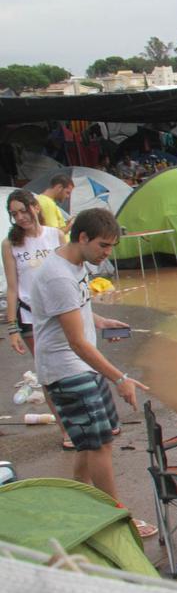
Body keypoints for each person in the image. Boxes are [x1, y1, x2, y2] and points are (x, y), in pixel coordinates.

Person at [28, 207, 154, 537]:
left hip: (83, 366)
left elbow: (72, 308)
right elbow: (77, 343)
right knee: (99, 445)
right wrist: (121, 378)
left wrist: (98, 320)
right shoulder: (57, 275)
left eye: (111, 246)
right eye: (103, 246)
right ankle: (118, 518)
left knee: (94, 440)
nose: (107, 254)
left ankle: (76, 502)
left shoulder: (75, 263)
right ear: (82, 237)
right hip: (67, 369)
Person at [4, 191, 70, 449]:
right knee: (48, 373)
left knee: (76, 365)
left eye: (23, 210)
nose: (20, 217)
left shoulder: (56, 235)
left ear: (35, 207)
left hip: (64, 312)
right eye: (14, 214)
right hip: (31, 317)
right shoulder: (10, 245)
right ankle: (65, 429)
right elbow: (12, 287)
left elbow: (72, 274)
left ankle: (89, 421)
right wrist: (12, 328)